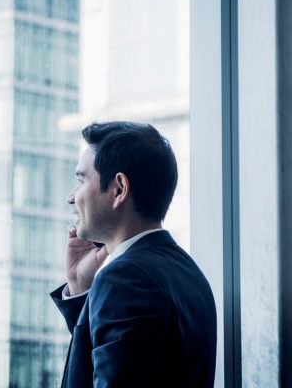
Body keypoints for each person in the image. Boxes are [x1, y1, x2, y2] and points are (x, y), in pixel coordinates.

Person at [51, 121, 216, 387]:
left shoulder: (125, 279)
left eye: (81, 180)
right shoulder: (187, 272)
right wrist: (82, 290)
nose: (72, 197)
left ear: (119, 189)